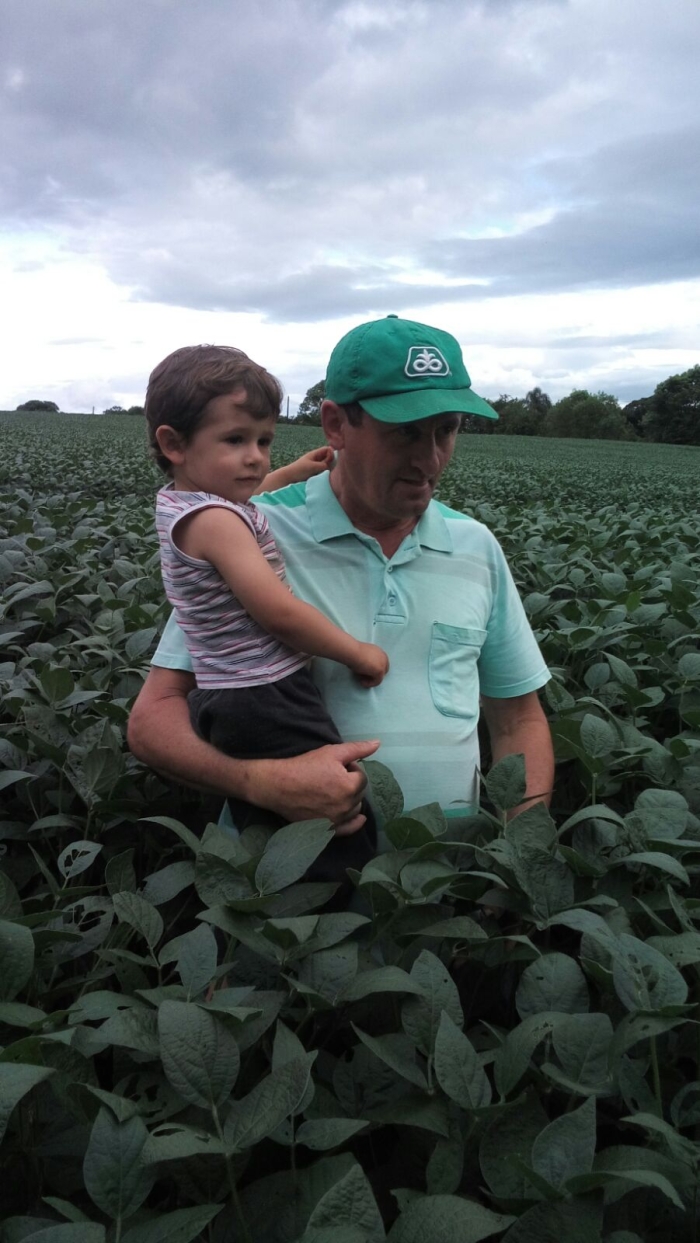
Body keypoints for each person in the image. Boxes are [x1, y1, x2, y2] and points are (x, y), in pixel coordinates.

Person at [129, 315, 553, 849]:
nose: (429, 458)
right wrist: (259, 783)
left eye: (445, 430)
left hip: (444, 884)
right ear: (334, 425)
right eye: (405, 432)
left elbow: (518, 722)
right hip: (288, 879)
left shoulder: (476, 547)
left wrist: (523, 857)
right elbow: (152, 720)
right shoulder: (250, 533)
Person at [144, 344, 389, 883]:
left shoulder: (190, 504)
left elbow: (246, 499)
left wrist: (292, 472)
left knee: (280, 821)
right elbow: (278, 612)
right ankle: (328, 897)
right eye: (236, 440)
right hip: (263, 692)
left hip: (234, 694)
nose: (255, 457)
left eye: (264, 441)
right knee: (334, 814)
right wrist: (357, 653)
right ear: (174, 444)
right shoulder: (216, 523)